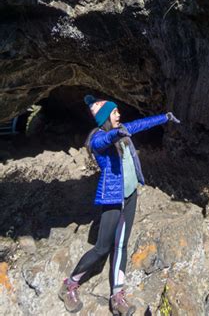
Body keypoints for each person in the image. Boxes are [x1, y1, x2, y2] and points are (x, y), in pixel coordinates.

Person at [58, 95, 180, 315]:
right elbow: (105, 141)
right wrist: (116, 133)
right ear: (105, 118)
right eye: (115, 113)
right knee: (102, 248)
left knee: (121, 244)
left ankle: (117, 296)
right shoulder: (98, 139)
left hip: (130, 195)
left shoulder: (123, 129)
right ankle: (70, 284)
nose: (119, 115)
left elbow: (140, 124)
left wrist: (165, 117)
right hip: (113, 199)